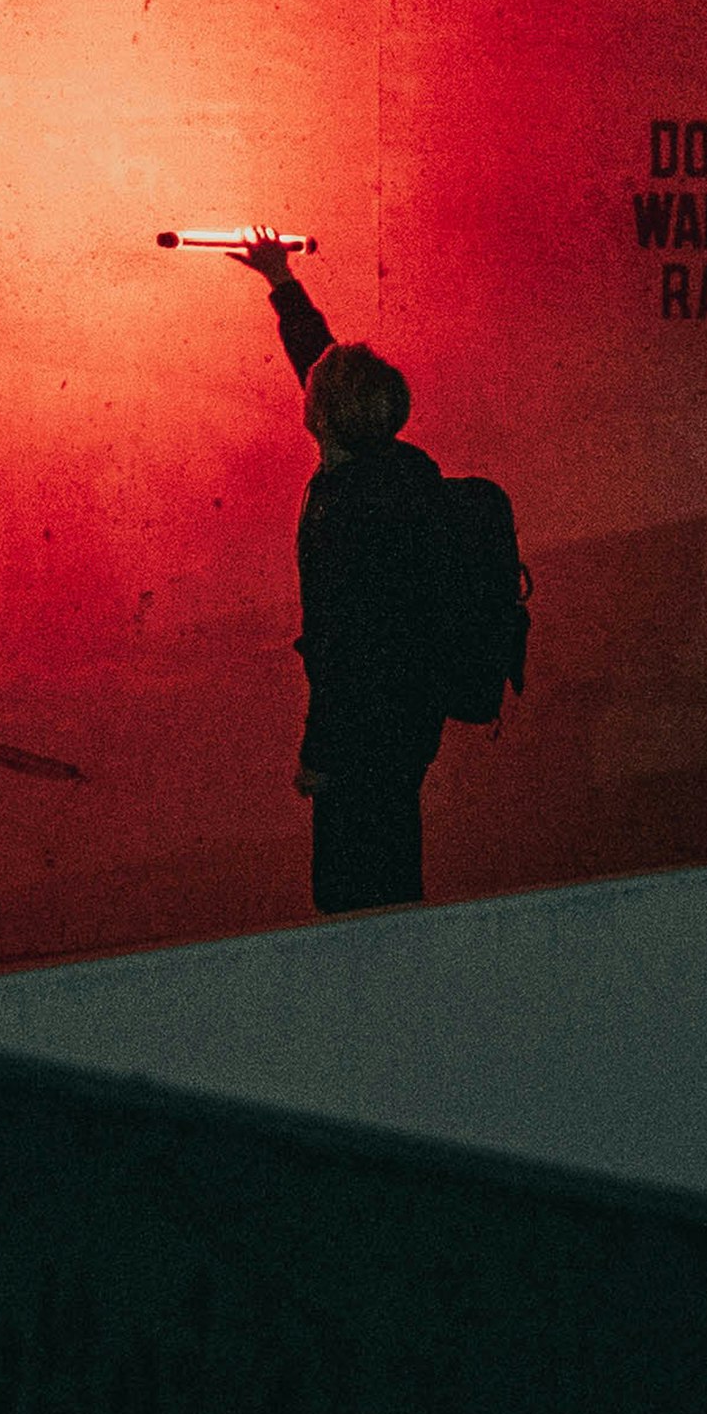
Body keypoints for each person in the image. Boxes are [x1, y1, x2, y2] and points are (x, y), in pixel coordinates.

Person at [229, 237, 449, 913]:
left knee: (353, 901)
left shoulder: (345, 512)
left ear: (320, 415)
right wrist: (280, 279)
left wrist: (318, 755)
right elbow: (321, 362)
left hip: (359, 738)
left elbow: (342, 646)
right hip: (410, 721)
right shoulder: (401, 472)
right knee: (394, 881)